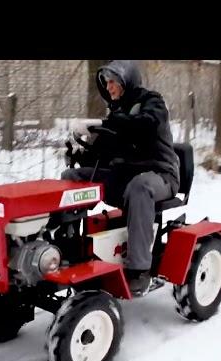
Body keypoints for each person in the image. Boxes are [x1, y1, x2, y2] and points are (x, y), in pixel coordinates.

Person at [62, 60, 180, 296]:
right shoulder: (116, 113)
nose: (109, 87)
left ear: (127, 80)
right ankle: (69, 245)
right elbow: (101, 155)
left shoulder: (152, 102)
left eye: (113, 81)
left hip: (160, 174)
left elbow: (145, 125)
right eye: (106, 83)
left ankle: (139, 269)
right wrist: (80, 154)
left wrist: (111, 123)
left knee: (140, 186)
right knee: (72, 177)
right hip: (124, 176)